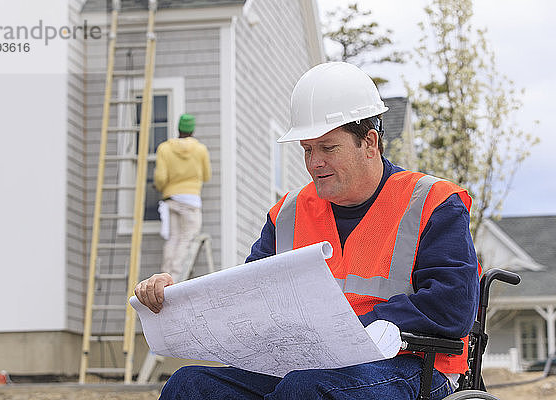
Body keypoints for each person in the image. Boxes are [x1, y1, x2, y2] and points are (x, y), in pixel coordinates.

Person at [135, 62, 480, 399]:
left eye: (328, 148)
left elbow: (451, 308)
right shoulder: (287, 213)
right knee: (189, 386)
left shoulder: (432, 202)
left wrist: (347, 327)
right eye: (307, 149)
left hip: (410, 365)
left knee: (306, 389)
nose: (315, 162)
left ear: (370, 143)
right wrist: (177, 299)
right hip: (305, 366)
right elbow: (247, 299)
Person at [153, 113, 211, 282]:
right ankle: (175, 279)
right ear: (192, 130)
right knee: (187, 240)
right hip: (191, 201)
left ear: (178, 128)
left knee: (173, 239)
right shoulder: (200, 150)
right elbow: (206, 175)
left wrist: (160, 186)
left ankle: (166, 274)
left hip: (172, 199)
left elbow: (160, 178)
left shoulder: (164, 148)